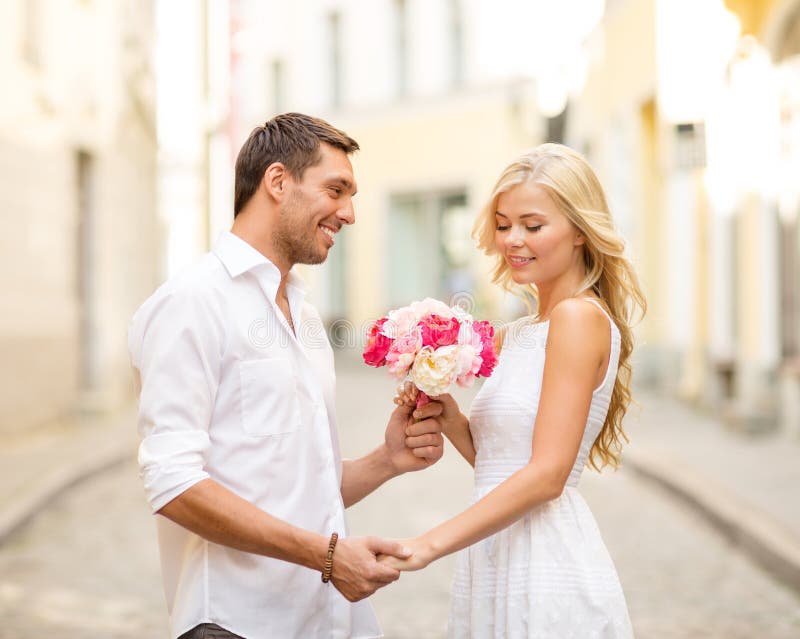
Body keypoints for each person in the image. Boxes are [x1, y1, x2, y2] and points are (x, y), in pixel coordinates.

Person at [128, 112, 445, 639]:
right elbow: (174, 483)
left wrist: (388, 461)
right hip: (236, 623)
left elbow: (303, 485)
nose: (349, 213)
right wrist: (326, 557)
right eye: (337, 190)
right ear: (278, 181)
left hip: (327, 622)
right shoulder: (191, 304)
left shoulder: (302, 310)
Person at [387, 143, 646, 637]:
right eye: (504, 224)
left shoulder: (578, 318)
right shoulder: (520, 333)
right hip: (496, 555)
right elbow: (499, 461)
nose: (513, 239)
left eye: (533, 224)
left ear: (578, 232)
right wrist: (448, 416)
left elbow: (548, 475)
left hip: (545, 562)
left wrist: (428, 545)